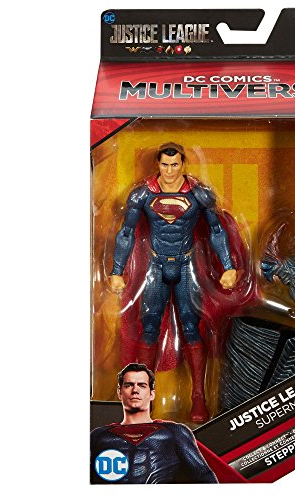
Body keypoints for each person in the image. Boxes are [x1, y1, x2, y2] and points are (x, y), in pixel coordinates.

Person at [109, 142, 237, 423]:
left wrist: (229, 266)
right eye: (165, 165)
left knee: (191, 327)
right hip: (156, 264)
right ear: (158, 164)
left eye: (174, 165)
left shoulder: (198, 194)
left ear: (183, 164)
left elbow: (216, 230)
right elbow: (126, 232)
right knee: (150, 326)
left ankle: (199, 396)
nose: (169, 171)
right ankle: (143, 400)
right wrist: (117, 270)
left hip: (186, 263)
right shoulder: (143, 193)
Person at [90, 363, 218, 484]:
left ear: (152, 394)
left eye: (142, 385)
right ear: (119, 393)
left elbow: (205, 478)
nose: (135, 390)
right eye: (128, 385)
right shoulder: (98, 436)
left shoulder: (174, 432)